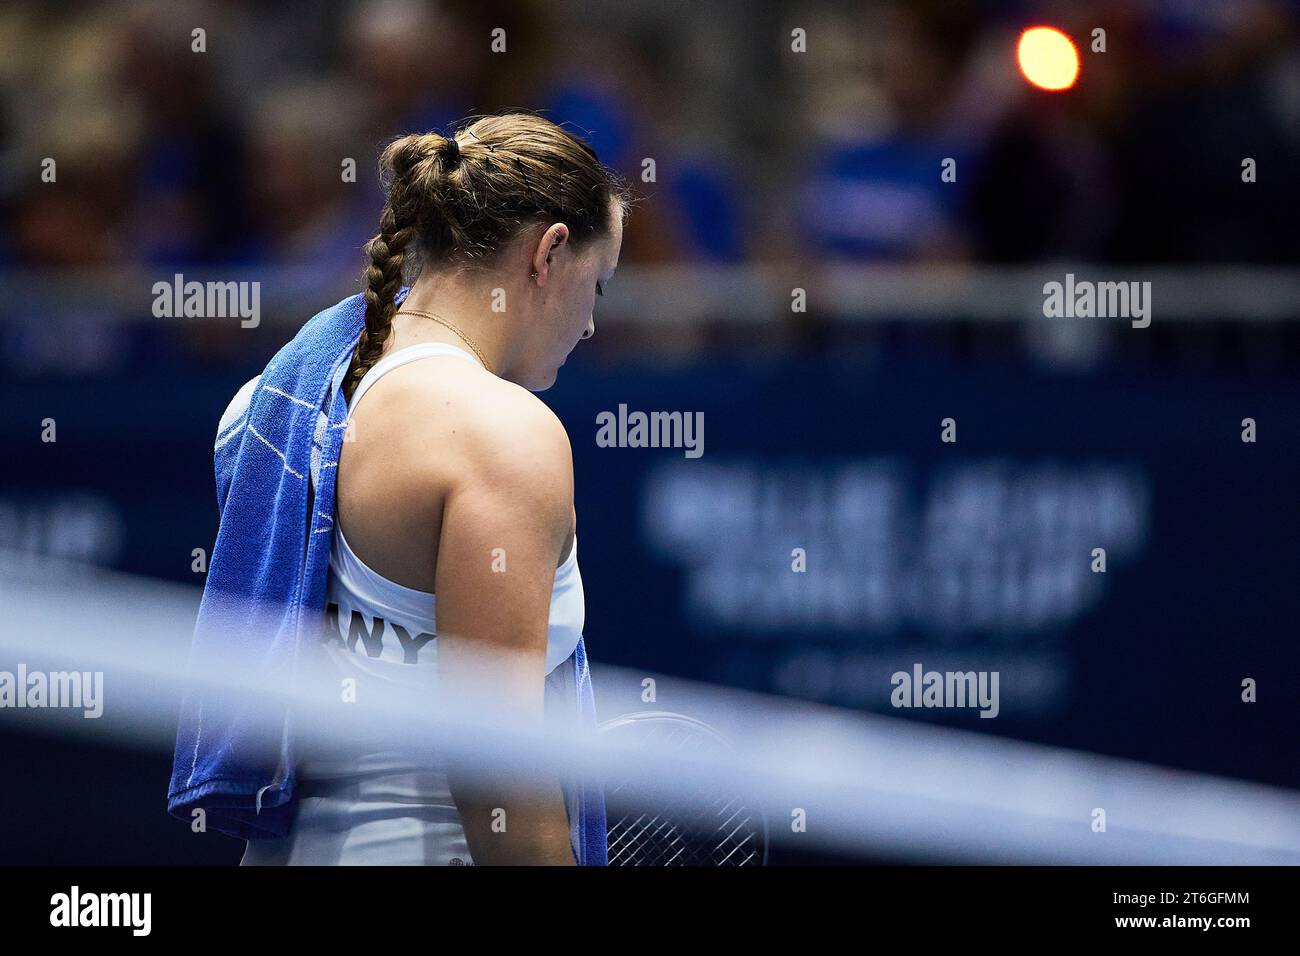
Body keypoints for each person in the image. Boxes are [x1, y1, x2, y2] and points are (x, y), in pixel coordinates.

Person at [231, 112, 629, 864]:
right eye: (598, 288)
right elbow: (495, 771)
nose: (589, 327)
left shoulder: (282, 398)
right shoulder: (503, 433)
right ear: (548, 252)